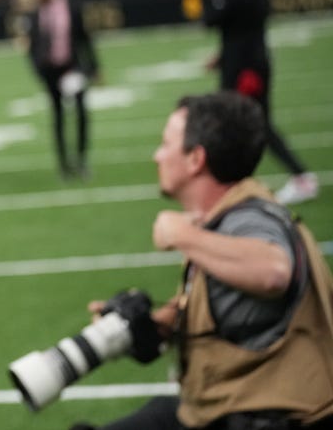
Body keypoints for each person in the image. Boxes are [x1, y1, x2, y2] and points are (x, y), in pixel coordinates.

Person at [73, 92, 333, 430]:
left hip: (273, 417)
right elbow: (242, 318)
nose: (157, 155)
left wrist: (180, 234)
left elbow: (273, 271)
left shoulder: (247, 221)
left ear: (196, 159)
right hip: (235, 408)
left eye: (166, 144)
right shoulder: (228, 216)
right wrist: (150, 326)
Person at [194, 0, 318, 206]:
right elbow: (240, 29)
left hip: (245, 71)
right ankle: (236, 181)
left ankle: (300, 176)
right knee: (240, 123)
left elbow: (209, 20)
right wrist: (223, 55)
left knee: (252, 124)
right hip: (250, 64)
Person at [26, 0, 99, 180]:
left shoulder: (70, 6)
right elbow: (32, 45)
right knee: (57, 116)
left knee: (81, 112)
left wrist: (94, 66)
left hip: (72, 67)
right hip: (50, 70)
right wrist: (38, 69)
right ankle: (64, 164)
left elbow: (84, 38)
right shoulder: (36, 12)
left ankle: (82, 159)